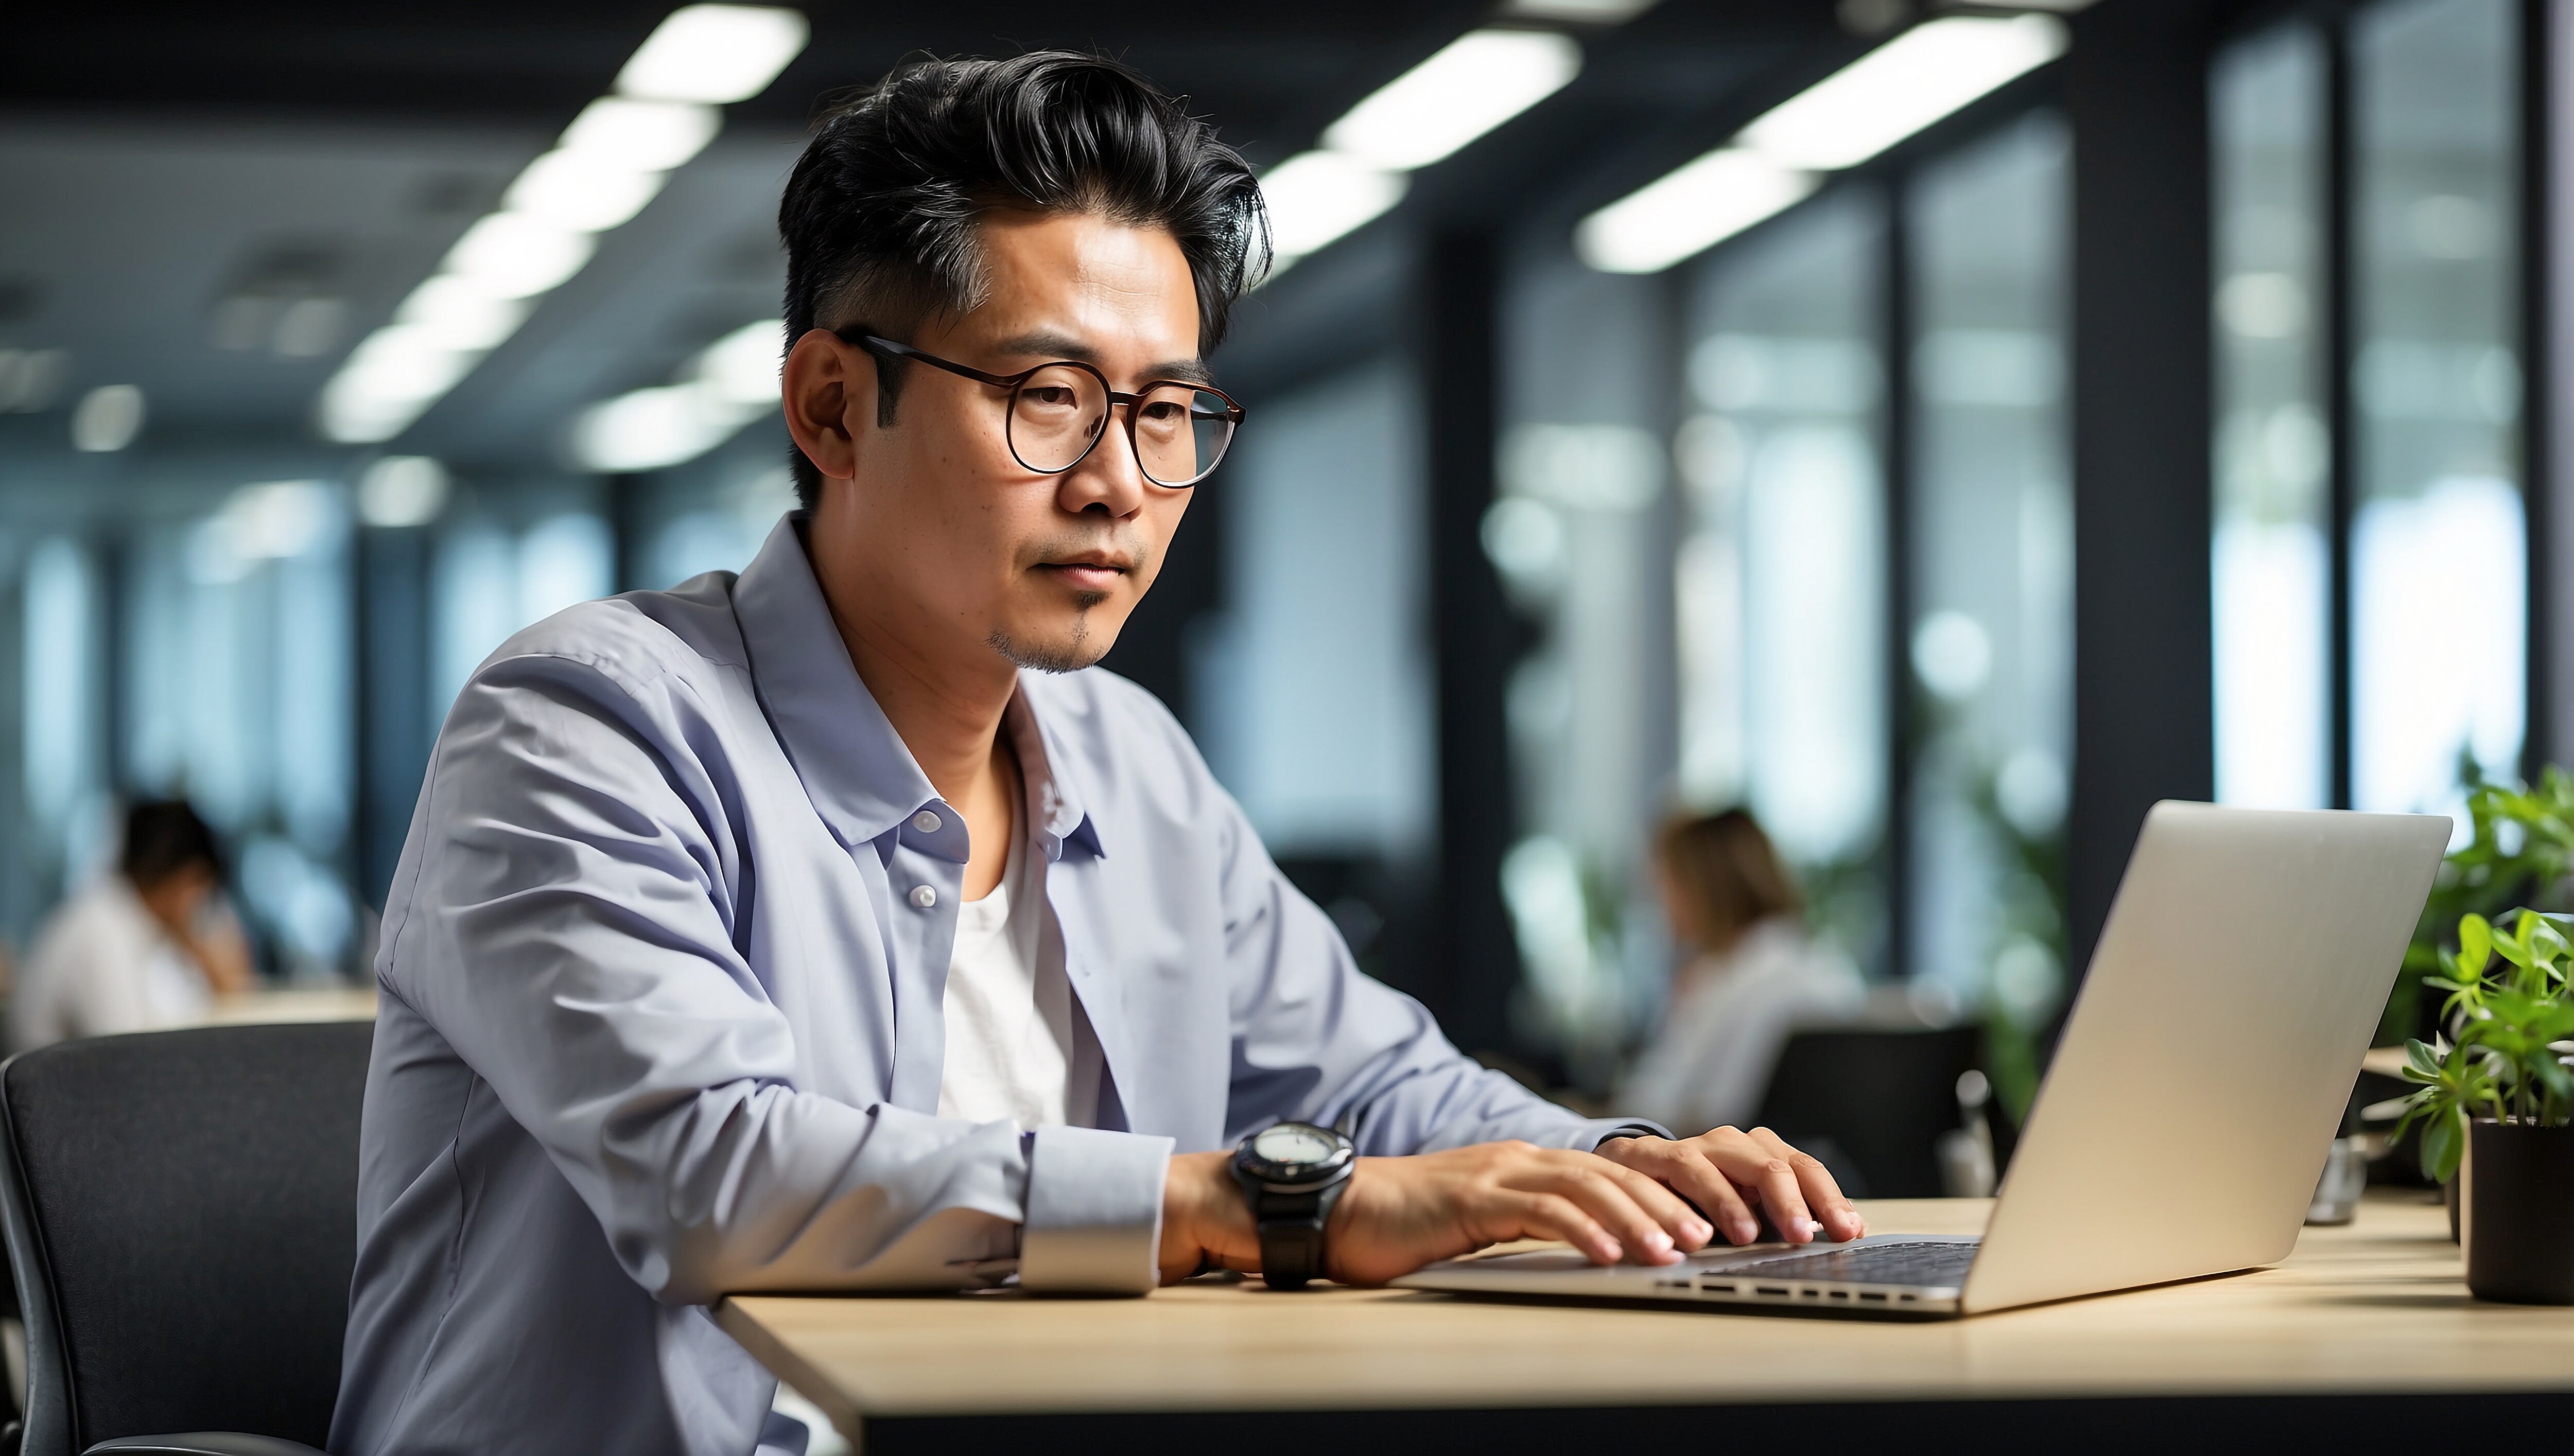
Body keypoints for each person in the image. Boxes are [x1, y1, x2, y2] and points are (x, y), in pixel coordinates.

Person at [332, 52, 1862, 1456]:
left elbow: (1378, 1087)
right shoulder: (587, 727)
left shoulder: (1130, 767)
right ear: (833, 406)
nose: (1121, 483)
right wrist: (1252, 1207)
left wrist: (1635, 1174)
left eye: (1168, 409)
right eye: (1049, 398)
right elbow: (713, 1172)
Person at [1616, 809, 1865, 1137]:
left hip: (1717, 1158)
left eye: (1666, 882)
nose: (1660, 902)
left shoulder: (1724, 983)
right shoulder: (1829, 970)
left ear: (1700, 887)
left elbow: (1673, 1113)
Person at [12, 799, 253, 1052]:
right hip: (67, 1078)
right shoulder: (102, 931)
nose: (202, 905)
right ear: (186, 879)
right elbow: (125, 1055)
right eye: (203, 888)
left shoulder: (135, 924)